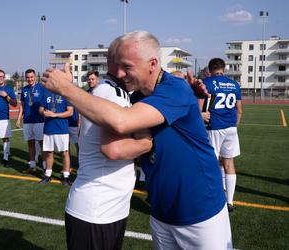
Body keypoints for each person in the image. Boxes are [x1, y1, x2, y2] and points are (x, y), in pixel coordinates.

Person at [42, 31, 232, 250]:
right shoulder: (135, 95)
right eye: (117, 65)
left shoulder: (175, 89)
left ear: (152, 63)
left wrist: (65, 89)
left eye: (128, 66)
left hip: (200, 209)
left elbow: (122, 122)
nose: (120, 73)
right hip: (161, 210)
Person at [64, 37, 153, 250]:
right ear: (118, 63)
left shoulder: (112, 90)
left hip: (106, 207)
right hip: (97, 209)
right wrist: (150, 142)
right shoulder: (113, 93)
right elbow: (113, 150)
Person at [200, 58, 243, 212]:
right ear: (224, 69)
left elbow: (200, 108)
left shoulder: (207, 83)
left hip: (214, 127)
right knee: (229, 163)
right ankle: (230, 201)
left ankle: (214, 198)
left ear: (210, 70)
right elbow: (239, 110)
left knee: (211, 161)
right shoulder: (234, 84)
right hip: (231, 127)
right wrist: (233, 126)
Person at [38, 89, 73, 186]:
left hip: (62, 129)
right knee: (49, 153)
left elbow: (70, 112)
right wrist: (43, 112)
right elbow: (40, 108)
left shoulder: (66, 93)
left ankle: (66, 177)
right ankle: (48, 175)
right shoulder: (46, 93)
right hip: (48, 128)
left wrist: (54, 115)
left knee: (64, 153)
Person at [16, 69, 46, 172]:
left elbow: (46, 103)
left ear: (35, 77)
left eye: (31, 77)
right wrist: (19, 119)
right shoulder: (24, 89)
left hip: (39, 121)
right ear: (25, 78)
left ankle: (45, 166)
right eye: (28, 77)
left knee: (42, 144)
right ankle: (32, 165)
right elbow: (22, 106)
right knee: (30, 143)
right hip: (27, 121)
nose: (30, 79)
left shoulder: (41, 88)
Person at [0, 69, 17, 166]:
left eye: (1, 76)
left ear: (4, 78)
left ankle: (5, 158)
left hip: (3, 119)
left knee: (5, 138)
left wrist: (6, 96)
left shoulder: (9, 89)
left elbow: (14, 103)